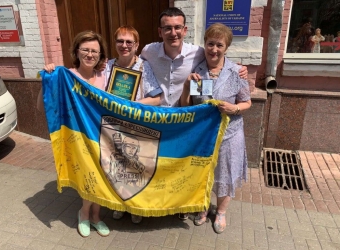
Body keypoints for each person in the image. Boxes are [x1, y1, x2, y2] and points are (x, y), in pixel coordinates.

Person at [141, 7, 248, 220]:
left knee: (191, 167)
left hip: (191, 125)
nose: (173, 32)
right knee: (165, 165)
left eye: (178, 27)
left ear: (185, 29)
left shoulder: (199, 54)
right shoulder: (149, 51)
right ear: (160, 31)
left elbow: (220, 55)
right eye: (168, 28)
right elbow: (133, 61)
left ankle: (213, 211)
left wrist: (240, 69)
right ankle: (159, 204)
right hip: (161, 118)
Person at [179, 23, 251, 234]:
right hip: (205, 135)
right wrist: (186, 85)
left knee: (225, 173)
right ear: (205, 44)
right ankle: (203, 208)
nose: (214, 49)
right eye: (210, 44)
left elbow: (247, 102)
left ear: (226, 47)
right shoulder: (198, 71)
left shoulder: (237, 72)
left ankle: (220, 212)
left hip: (230, 133)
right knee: (204, 173)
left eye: (219, 45)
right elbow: (187, 107)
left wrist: (234, 107)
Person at [38, 30, 110, 238]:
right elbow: (42, 106)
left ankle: (96, 215)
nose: (90, 55)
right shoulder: (65, 76)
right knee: (90, 175)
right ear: (76, 52)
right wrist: (48, 80)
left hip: (102, 136)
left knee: (102, 176)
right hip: (77, 137)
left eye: (94, 51)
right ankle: (86, 214)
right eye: (85, 50)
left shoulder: (104, 76)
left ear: (100, 54)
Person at [106, 25, 162, 224]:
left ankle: (135, 206)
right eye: (120, 41)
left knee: (135, 168)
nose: (124, 45)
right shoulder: (107, 66)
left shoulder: (144, 67)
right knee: (117, 166)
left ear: (137, 45)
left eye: (129, 42)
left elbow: (158, 98)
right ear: (115, 43)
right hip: (112, 127)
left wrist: (134, 104)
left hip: (137, 127)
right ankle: (119, 204)